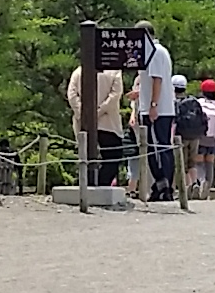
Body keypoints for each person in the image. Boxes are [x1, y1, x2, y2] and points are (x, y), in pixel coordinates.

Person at [129, 24, 177, 198]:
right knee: (157, 147)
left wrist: (153, 105)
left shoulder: (154, 52)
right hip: (157, 107)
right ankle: (161, 186)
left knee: (157, 148)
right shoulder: (157, 51)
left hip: (157, 110)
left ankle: (165, 186)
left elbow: (158, 79)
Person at [62, 61, 126, 187]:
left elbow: (71, 94)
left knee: (85, 158)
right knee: (113, 157)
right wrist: (99, 111)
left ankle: (86, 185)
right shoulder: (115, 71)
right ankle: (101, 184)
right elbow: (115, 95)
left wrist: (84, 114)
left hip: (84, 124)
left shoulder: (79, 71)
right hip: (108, 123)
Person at [189, 79, 215, 189]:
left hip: (199, 137)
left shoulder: (197, 103)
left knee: (198, 163)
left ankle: (199, 184)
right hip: (212, 139)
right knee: (209, 163)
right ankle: (207, 187)